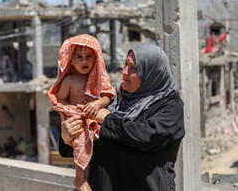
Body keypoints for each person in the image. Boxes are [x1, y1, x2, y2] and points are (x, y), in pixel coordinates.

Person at [59, 43, 185, 191]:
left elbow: (148, 137)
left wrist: (108, 119)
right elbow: (86, 143)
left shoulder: (169, 106)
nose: (124, 72)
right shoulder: (111, 98)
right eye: (126, 65)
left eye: (134, 69)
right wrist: (67, 139)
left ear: (151, 73)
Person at [48, 34, 115, 191]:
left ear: (96, 57)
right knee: (81, 145)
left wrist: (97, 104)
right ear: (70, 61)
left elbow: (107, 97)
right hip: (78, 123)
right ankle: (80, 179)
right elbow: (60, 101)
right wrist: (74, 110)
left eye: (88, 56)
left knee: (97, 151)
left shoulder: (100, 79)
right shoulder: (69, 81)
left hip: (96, 123)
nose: (84, 61)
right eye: (78, 57)